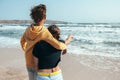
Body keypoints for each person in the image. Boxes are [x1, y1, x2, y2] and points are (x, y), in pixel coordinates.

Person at [20, 4, 67, 80]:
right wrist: (64, 46)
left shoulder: (28, 29)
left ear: (33, 17)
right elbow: (57, 45)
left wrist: (27, 50)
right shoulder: (44, 32)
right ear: (44, 17)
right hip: (38, 64)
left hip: (28, 61)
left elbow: (22, 41)